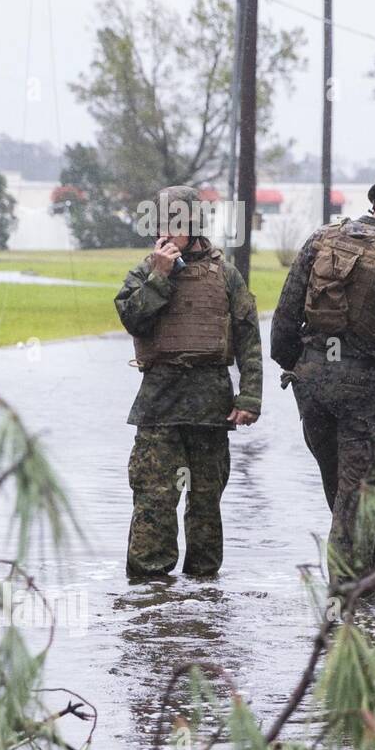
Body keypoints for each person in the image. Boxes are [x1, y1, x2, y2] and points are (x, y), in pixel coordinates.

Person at [270, 165, 375, 590]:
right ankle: (345, 588)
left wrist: (297, 365)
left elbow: (285, 316)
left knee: (341, 483)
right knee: (358, 489)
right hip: (362, 389)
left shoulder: (321, 238)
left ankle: (368, 563)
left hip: (311, 383)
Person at [115, 185, 262, 579]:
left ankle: (204, 591)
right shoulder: (143, 273)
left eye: (177, 224)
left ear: (194, 226)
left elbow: (249, 337)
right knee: (153, 498)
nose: (169, 232)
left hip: (210, 406)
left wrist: (249, 397)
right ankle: (149, 589)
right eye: (163, 224)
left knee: (206, 501)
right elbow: (133, 320)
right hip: (159, 404)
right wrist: (160, 276)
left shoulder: (225, 275)